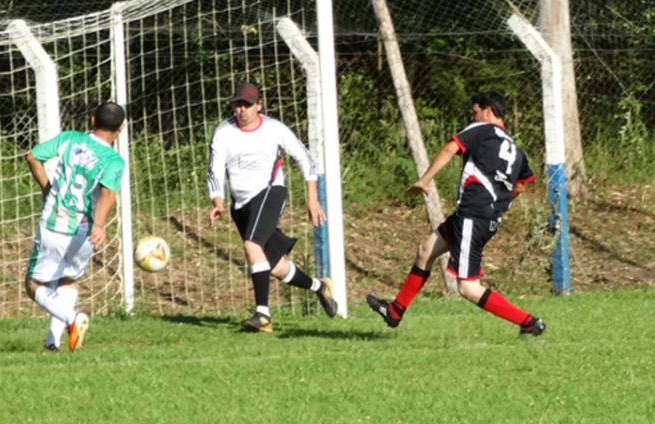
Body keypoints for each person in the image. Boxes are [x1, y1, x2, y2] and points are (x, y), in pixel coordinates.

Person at [365, 91, 547, 337]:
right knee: (426, 250)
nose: (472, 117)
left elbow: (451, 148)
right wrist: (498, 204)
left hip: (474, 216)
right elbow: (522, 185)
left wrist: (425, 181)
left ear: (488, 112)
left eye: (475, 112)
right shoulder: (516, 150)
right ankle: (395, 311)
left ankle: (528, 322)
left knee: (468, 288)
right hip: (478, 215)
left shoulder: (482, 129)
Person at [207, 82, 337, 332]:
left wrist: (312, 197)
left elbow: (305, 158)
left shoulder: (274, 129)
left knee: (251, 245)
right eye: (237, 104)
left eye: (247, 105)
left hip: (270, 191)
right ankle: (319, 287)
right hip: (240, 203)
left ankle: (263, 315)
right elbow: (214, 170)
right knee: (275, 266)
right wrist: (218, 202)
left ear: (259, 106)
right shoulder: (223, 132)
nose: (241, 110)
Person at [24, 101, 126, 352]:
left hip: (54, 225)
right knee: (68, 280)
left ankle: (72, 319)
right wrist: (99, 225)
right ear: (121, 129)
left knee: (34, 285)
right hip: (83, 232)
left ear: (92, 120)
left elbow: (32, 157)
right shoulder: (113, 160)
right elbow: (107, 195)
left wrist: (47, 188)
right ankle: (52, 343)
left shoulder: (70, 139)